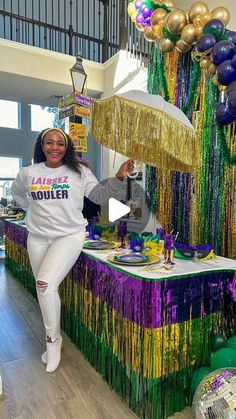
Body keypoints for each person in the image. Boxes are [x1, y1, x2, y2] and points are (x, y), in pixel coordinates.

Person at [11, 127, 134, 373]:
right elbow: (18, 196)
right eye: (49, 143)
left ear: (67, 148)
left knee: (44, 284)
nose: (54, 147)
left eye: (60, 143)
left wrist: (119, 177)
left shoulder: (79, 172)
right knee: (45, 289)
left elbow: (99, 195)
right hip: (37, 238)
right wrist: (30, 211)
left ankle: (53, 343)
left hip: (69, 236)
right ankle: (54, 339)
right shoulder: (28, 173)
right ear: (41, 145)